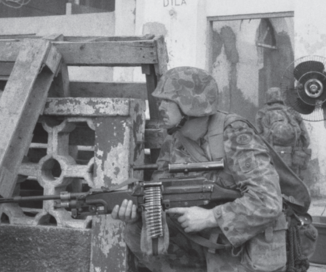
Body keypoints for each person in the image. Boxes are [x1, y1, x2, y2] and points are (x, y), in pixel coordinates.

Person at [112, 67, 287, 272]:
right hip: (204, 244)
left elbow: (268, 201)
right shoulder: (174, 142)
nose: (160, 107)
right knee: (136, 229)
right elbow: (161, 197)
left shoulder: (235, 135)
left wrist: (210, 217)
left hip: (243, 248)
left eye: (167, 101)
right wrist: (138, 212)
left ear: (190, 104)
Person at [255, 87, 311, 178]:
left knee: (273, 182)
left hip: (272, 156)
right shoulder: (292, 112)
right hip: (292, 155)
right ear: (281, 97)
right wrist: (301, 149)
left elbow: (258, 137)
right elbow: (306, 138)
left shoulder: (262, 113)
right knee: (293, 182)